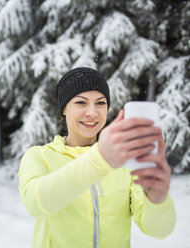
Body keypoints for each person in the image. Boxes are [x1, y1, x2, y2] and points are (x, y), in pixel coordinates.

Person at [18, 67, 176, 248]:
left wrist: (157, 199)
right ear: (64, 109)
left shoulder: (125, 163)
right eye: (80, 103)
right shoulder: (40, 156)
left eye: (100, 103)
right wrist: (100, 159)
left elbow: (159, 230)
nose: (92, 113)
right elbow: (36, 202)